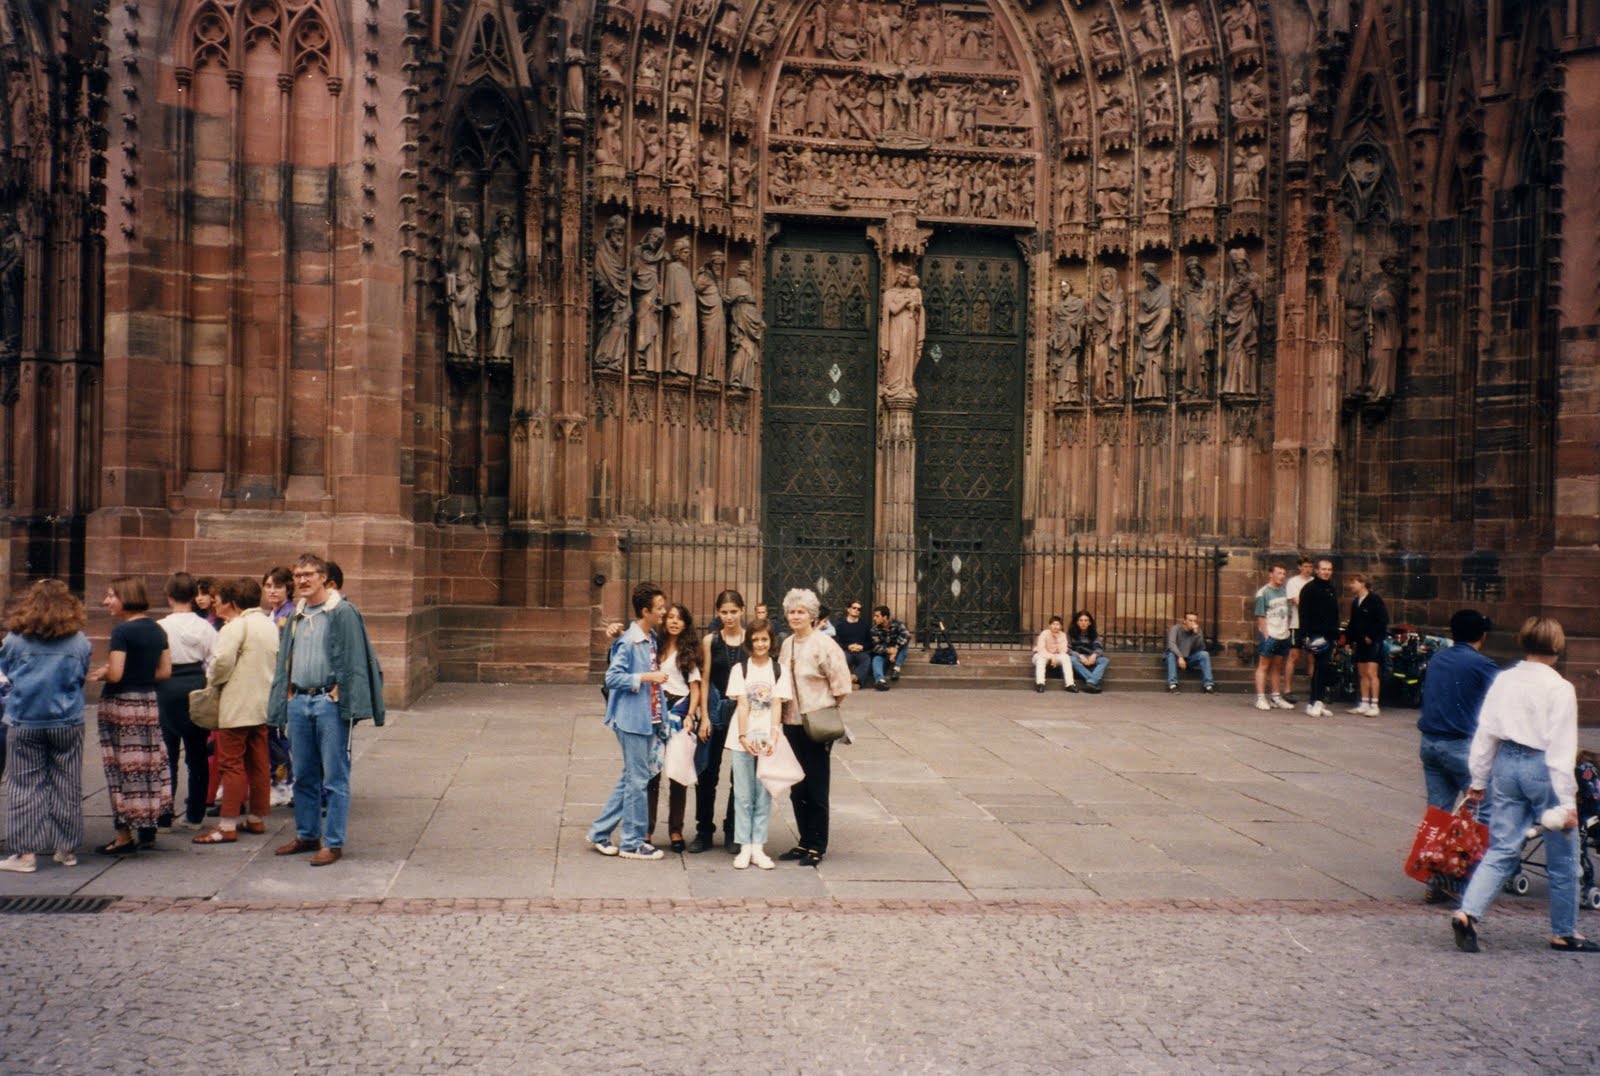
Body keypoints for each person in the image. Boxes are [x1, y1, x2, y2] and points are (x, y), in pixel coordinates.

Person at [1451, 617, 1595, 954]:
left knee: (1502, 847)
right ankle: (1564, 931)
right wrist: (1568, 804)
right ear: (1558, 647)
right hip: (1542, 766)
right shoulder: (1560, 688)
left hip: (1506, 763)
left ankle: (1467, 912)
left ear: (1524, 641)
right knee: (1563, 856)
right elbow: (1561, 748)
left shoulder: (1504, 680)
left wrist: (1478, 779)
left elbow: (1485, 731)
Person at [266, 553, 385, 867]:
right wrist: (289, 690)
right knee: (304, 775)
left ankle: (333, 843)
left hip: (328, 704)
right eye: (298, 575)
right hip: (300, 702)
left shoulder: (342, 612)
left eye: (309, 574)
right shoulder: (297, 614)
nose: (302, 580)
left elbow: (357, 655)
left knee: (334, 776)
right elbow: (286, 657)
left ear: (323, 578)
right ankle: (307, 835)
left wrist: (340, 691)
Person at [0, 581, 92, 873]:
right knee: (67, 783)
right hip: (67, 720)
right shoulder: (79, 641)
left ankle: (25, 854)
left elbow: (7, 673)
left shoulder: (14, 641)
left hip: (24, 718)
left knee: (24, 785)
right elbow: (81, 677)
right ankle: (66, 849)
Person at [1415, 609, 1499, 902]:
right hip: (1461, 745)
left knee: (1437, 813)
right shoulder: (1481, 664)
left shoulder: (1439, 657)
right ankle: (1467, 880)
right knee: (1481, 811)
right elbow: (1503, 696)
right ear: (1482, 636)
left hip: (1430, 743)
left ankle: (1433, 879)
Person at [89, 576, 173, 855]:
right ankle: (147, 831)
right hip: (148, 703)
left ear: (125, 597)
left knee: (121, 768)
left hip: (121, 706)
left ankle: (124, 837)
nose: (106, 601)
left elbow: (116, 673)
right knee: (149, 764)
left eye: (111, 595)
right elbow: (164, 672)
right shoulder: (158, 630)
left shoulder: (122, 632)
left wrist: (102, 672)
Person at [193, 577, 279, 846]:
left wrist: (212, 682)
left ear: (231, 602)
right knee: (258, 763)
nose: (215, 605)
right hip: (261, 704)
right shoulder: (268, 624)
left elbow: (220, 665)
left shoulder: (235, 627)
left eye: (218, 600)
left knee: (230, 764)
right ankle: (256, 817)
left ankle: (227, 824)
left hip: (236, 705)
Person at [589, 582, 668, 861]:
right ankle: (632, 842)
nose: (664, 612)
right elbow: (613, 677)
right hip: (632, 720)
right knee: (637, 781)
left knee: (632, 779)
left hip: (647, 718)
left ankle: (599, 832)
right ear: (645, 611)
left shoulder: (651, 639)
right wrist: (645, 678)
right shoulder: (629, 641)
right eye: (659, 608)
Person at [777, 588, 851, 868]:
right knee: (798, 786)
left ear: (812, 615)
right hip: (791, 722)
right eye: (792, 612)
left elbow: (841, 685)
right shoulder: (787, 645)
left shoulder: (825, 644)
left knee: (817, 786)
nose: (796, 616)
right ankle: (804, 840)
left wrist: (825, 709)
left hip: (816, 724)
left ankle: (818, 844)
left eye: (801, 612)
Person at [155, 572, 217, 832]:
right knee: (197, 753)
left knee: (166, 754)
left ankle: (164, 815)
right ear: (193, 596)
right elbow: (215, 659)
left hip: (166, 685)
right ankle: (194, 814)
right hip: (195, 683)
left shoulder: (160, 626)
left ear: (169, 597)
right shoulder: (205, 627)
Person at [726, 617, 789, 870]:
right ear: (749, 642)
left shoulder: (778, 669)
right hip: (743, 737)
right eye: (756, 640)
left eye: (764, 639)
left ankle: (758, 846)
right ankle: (744, 846)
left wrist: (773, 736)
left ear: (771, 641)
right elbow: (742, 704)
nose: (760, 644)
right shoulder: (740, 669)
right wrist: (743, 736)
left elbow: (777, 704)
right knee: (743, 794)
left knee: (763, 794)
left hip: (767, 738)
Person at [691, 589, 746, 854]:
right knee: (707, 773)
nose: (729, 617)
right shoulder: (711, 641)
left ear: (742, 611)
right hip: (715, 711)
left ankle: (732, 829)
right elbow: (705, 678)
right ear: (718, 613)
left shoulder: (751, 640)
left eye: (733, 611)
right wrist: (703, 717)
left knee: (740, 775)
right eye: (724, 612)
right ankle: (703, 830)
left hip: (742, 714)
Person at [647, 602, 703, 852]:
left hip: (679, 713)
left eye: (679, 618)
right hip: (655, 712)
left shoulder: (688, 652)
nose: (673, 622)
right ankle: (646, 828)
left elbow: (695, 687)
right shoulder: (655, 647)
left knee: (677, 775)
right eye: (670, 617)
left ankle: (675, 830)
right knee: (651, 774)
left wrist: (691, 714)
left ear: (685, 623)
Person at [261, 564, 295, 806]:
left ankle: (283, 783)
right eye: (268, 586)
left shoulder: (289, 614)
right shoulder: (269, 615)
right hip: (268, 681)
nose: (272, 591)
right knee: (272, 734)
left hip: (282, 681)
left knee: (278, 736)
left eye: (278, 586)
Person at [1298, 558, 1341, 717]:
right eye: (1323, 569)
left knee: (1322, 668)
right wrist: (1305, 636)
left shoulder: (1331, 589)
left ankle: (1316, 702)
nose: (1326, 572)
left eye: (1329, 569)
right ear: (1317, 570)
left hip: (1329, 634)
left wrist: (1336, 635)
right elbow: (1303, 614)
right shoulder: (1309, 588)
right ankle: (1316, 701)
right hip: (1315, 634)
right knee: (1320, 666)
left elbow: (1335, 613)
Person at [1346, 572, 1388, 717]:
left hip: (1373, 642)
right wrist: (1348, 641)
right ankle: (1364, 703)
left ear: (1362, 583)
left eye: (1354, 582)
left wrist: (1371, 635)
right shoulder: (1355, 602)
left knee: (1371, 673)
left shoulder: (1375, 599)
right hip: (1360, 642)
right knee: (1362, 673)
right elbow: (1352, 623)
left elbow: (1382, 620)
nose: (1351, 585)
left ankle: (1374, 704)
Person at [1252, 564, 1293, 711]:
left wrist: (1286, 630)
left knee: (1277, 666)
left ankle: (1276, 696)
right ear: (1271, 574)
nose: (1282, 576)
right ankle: (1261, 698)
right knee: (1263, 665)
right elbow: (1261, 616)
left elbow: (1286, 613)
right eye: (1279, 573)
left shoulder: (1283, 592)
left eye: (1283, 573)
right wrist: (1266, 635)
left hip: (1283, 634)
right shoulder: (1263, 593)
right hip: (1270, 634)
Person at [1283, 556, 1314, 702]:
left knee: (1312, 657)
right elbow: (1297, 603)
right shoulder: (1293, 582)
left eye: (1310, 566)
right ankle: (1288, 690)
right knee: (1293, 656)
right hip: (1297, 624)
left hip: (1313, 625)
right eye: (1305, 566)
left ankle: (1315, 690)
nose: (1308, 569)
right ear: (1300, 567)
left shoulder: (1315, 582)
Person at [1165, 612, 1215, 693]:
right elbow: (1171, 644)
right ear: (1184, 621)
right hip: (1175, 659)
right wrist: (1180, 657)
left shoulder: (1197, 631)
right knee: (1171, 654)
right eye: (1190, 620)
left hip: (1188, 659)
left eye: (1195, 621)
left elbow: (1201, 648)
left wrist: (1196, 634)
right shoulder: (1175, 629)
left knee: (1204, 654)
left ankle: (1208, 685)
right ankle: (1173, 685)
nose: (1193, 623)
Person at [834, 599, 873, 688]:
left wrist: (861, 646)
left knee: (866, 660)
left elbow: (870, 642)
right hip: (847, 651)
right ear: (848, 609)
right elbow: (837, 642)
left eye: (859, 609)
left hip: (861, 651)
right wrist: (848, 646)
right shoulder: (841, 625)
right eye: (854, 608)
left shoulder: (864, 625)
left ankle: (853, 678)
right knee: (843, 660)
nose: (856, 610)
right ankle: (854, 683)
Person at [870, 605, 910, 689]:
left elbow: (907, 635)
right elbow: (875, 647)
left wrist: (896, 649)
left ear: (885, 617)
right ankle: (880, 681)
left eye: (877, 616)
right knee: (876, 658)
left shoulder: (897, 624)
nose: (874, 618)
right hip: (885, 654)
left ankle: (896, 668)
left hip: (898, 654)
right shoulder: (874, 629)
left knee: (905, 643)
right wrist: (889, 651)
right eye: (874, 616)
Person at [1066, 611, 1107, 693]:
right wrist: (1079, 656)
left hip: (1090, 657)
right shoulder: (1070, 634)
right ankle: (1093, 682)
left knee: (1104, 660)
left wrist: (1094, 655)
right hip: (1077, 658)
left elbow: (1099, 648)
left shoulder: (1094, 634)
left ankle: (1090, 682)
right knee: (1071, 659)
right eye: (1081, 620)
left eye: (1086, 620)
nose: (1083, 623)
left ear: (1089, 622)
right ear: (1077, 622)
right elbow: (1067, 649)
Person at [1033, 615, 1074, 693]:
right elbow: (1041, 649)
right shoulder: (1044, 633)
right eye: (1053, 624)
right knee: (1040, 659)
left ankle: (1070, 684)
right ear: (1049, 625)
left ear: (1061, 626)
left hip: (1056, 657)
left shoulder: (1063, 635)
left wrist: (1057, 639)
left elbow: (1063, 650)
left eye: (1058, 624)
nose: (1055, 626)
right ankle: (1040, 684)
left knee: (1066, 657)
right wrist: (1052, 657)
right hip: (1041, 655)